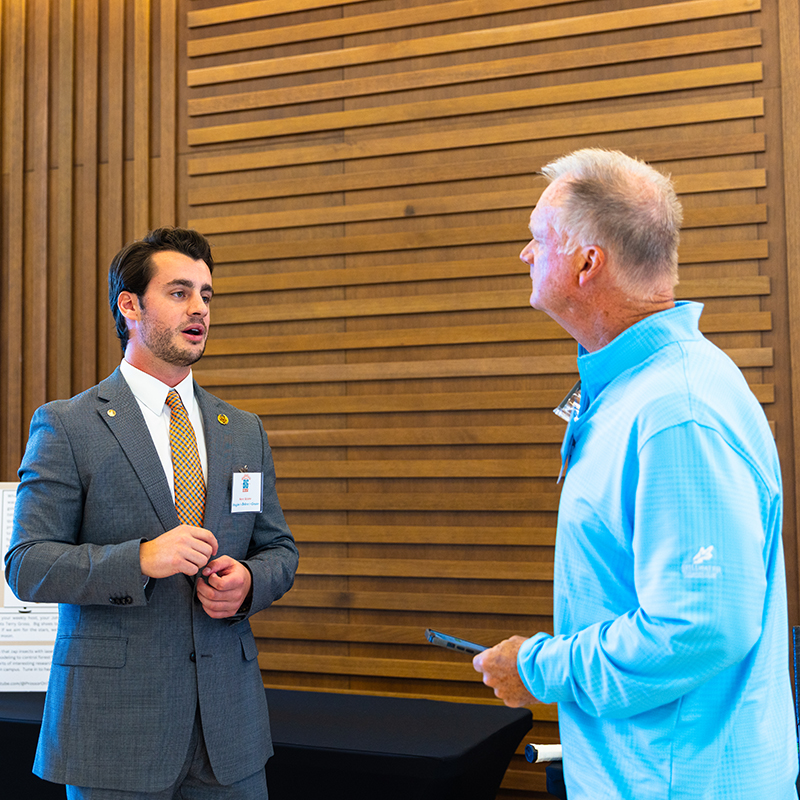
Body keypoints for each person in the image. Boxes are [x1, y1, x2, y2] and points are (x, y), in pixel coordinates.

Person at [472, 149, 799, 799]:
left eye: (538, 239)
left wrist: (539, 667)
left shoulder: (678, 413)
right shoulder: (636, 391)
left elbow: (697, 628)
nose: (524, 254)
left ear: (587, 262)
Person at [5, 227, 299, 799]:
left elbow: (279, 550)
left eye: (206, 295)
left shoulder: (243, 430)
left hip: (229, 733)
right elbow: (27, 565)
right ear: (130, 305)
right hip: (114, 732)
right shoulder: (68, 425)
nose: (199, 309)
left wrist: (248, 582)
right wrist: (140, 559)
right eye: (179, 292)